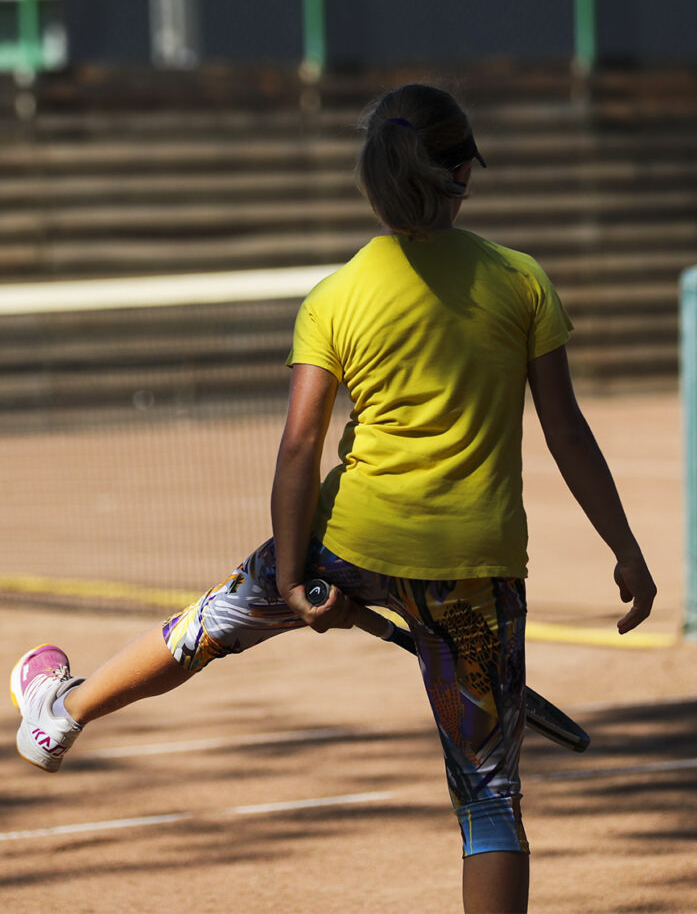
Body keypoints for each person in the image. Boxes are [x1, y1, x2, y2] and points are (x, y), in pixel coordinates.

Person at [10, 83, 656, 914]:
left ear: (372, 182)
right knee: (488, 800)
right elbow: (566, 430)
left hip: (341, 544)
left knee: (210, 625)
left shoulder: (337, 295)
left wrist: (288, 580)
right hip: (472, 567)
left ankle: (59, 716)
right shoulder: (520, 282)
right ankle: (61, 710)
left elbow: (298, 447)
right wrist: (626, 548)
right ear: (461, 175)